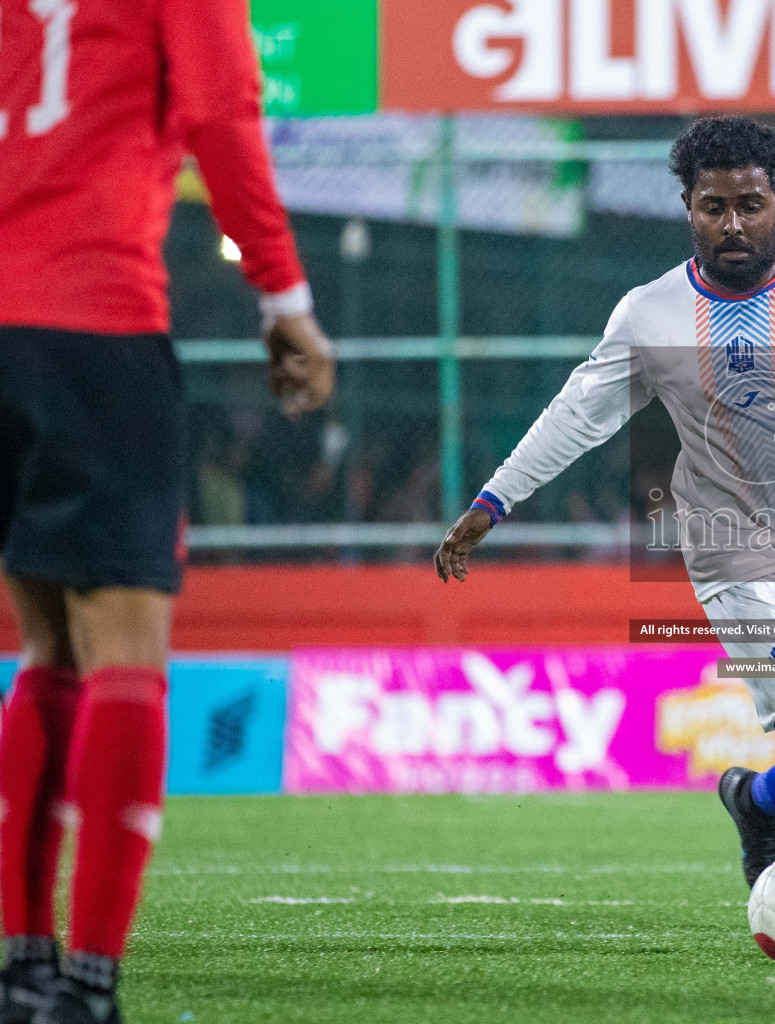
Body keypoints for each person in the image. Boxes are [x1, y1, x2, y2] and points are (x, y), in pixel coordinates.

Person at [436, 116, 775, 957]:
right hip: (731, 550)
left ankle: (751, 800)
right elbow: (575, 415)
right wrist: (493, 501)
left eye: (750, 205)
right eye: (713, 206)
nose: (733, 223)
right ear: (687, 208)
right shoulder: (651, 312)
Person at [0, 0, 335, 1018]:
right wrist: (285, 301)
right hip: (95, 324)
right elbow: (224, 113)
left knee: (47, 649)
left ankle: (23, 970)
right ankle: (89, 982)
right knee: (125, 654)